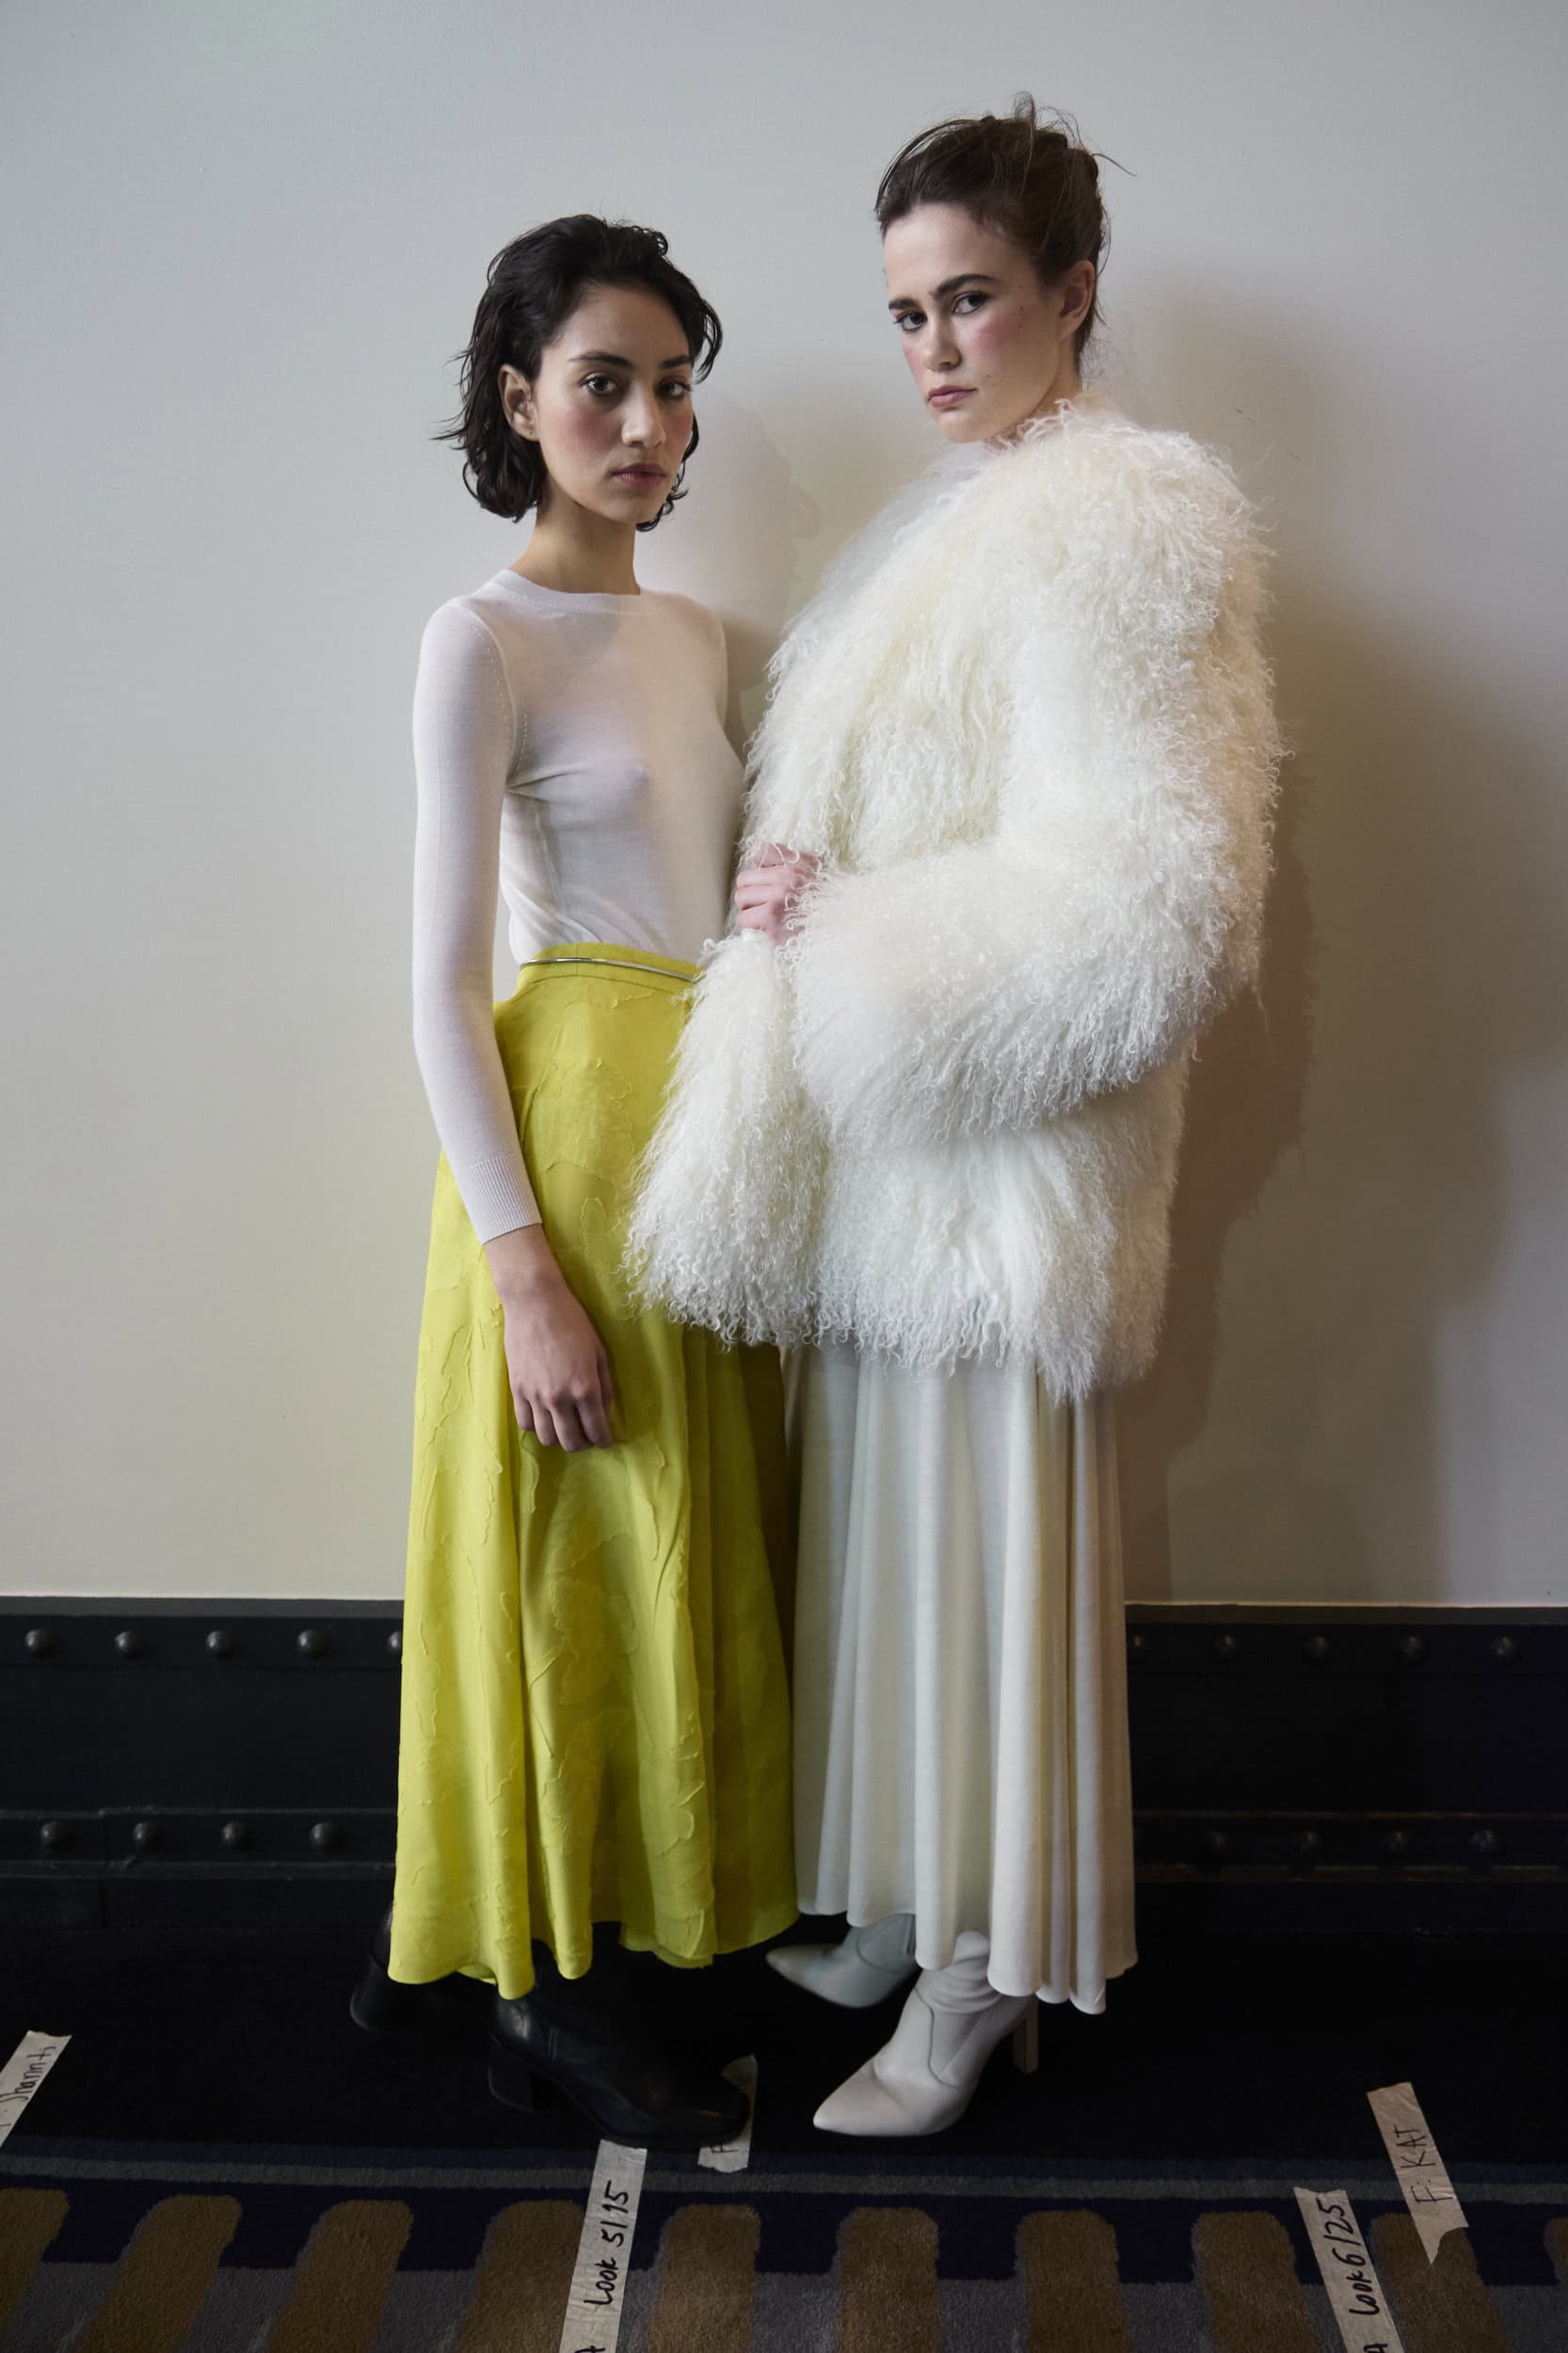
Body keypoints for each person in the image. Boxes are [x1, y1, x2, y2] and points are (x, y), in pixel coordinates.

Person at [631, 102, 1283, 2135]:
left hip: (1006, 1171)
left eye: (970, 300)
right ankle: (915, 1898)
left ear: (1072, 293)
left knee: (991, 1574)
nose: (930, 348)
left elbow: (1156, 907)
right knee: (898, 1562)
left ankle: (993, 1965)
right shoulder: (937, 531)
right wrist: (797, 894)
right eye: (905, 311)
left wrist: (851, 937)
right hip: (894, 1158)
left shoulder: (1121, 523)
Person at [349, 215, 796, 2151]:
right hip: (564, 1155)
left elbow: (716, 891)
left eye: (671, 385)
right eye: (600, 383)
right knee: (562, 1568)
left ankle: (653, 1928)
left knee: (675, 1549)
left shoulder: (696, 638)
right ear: (518, 399)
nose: (643, 423)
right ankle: (542, 1990)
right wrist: (521, 1265)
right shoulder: (480, 640)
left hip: (707, 1140)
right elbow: (443, 983)